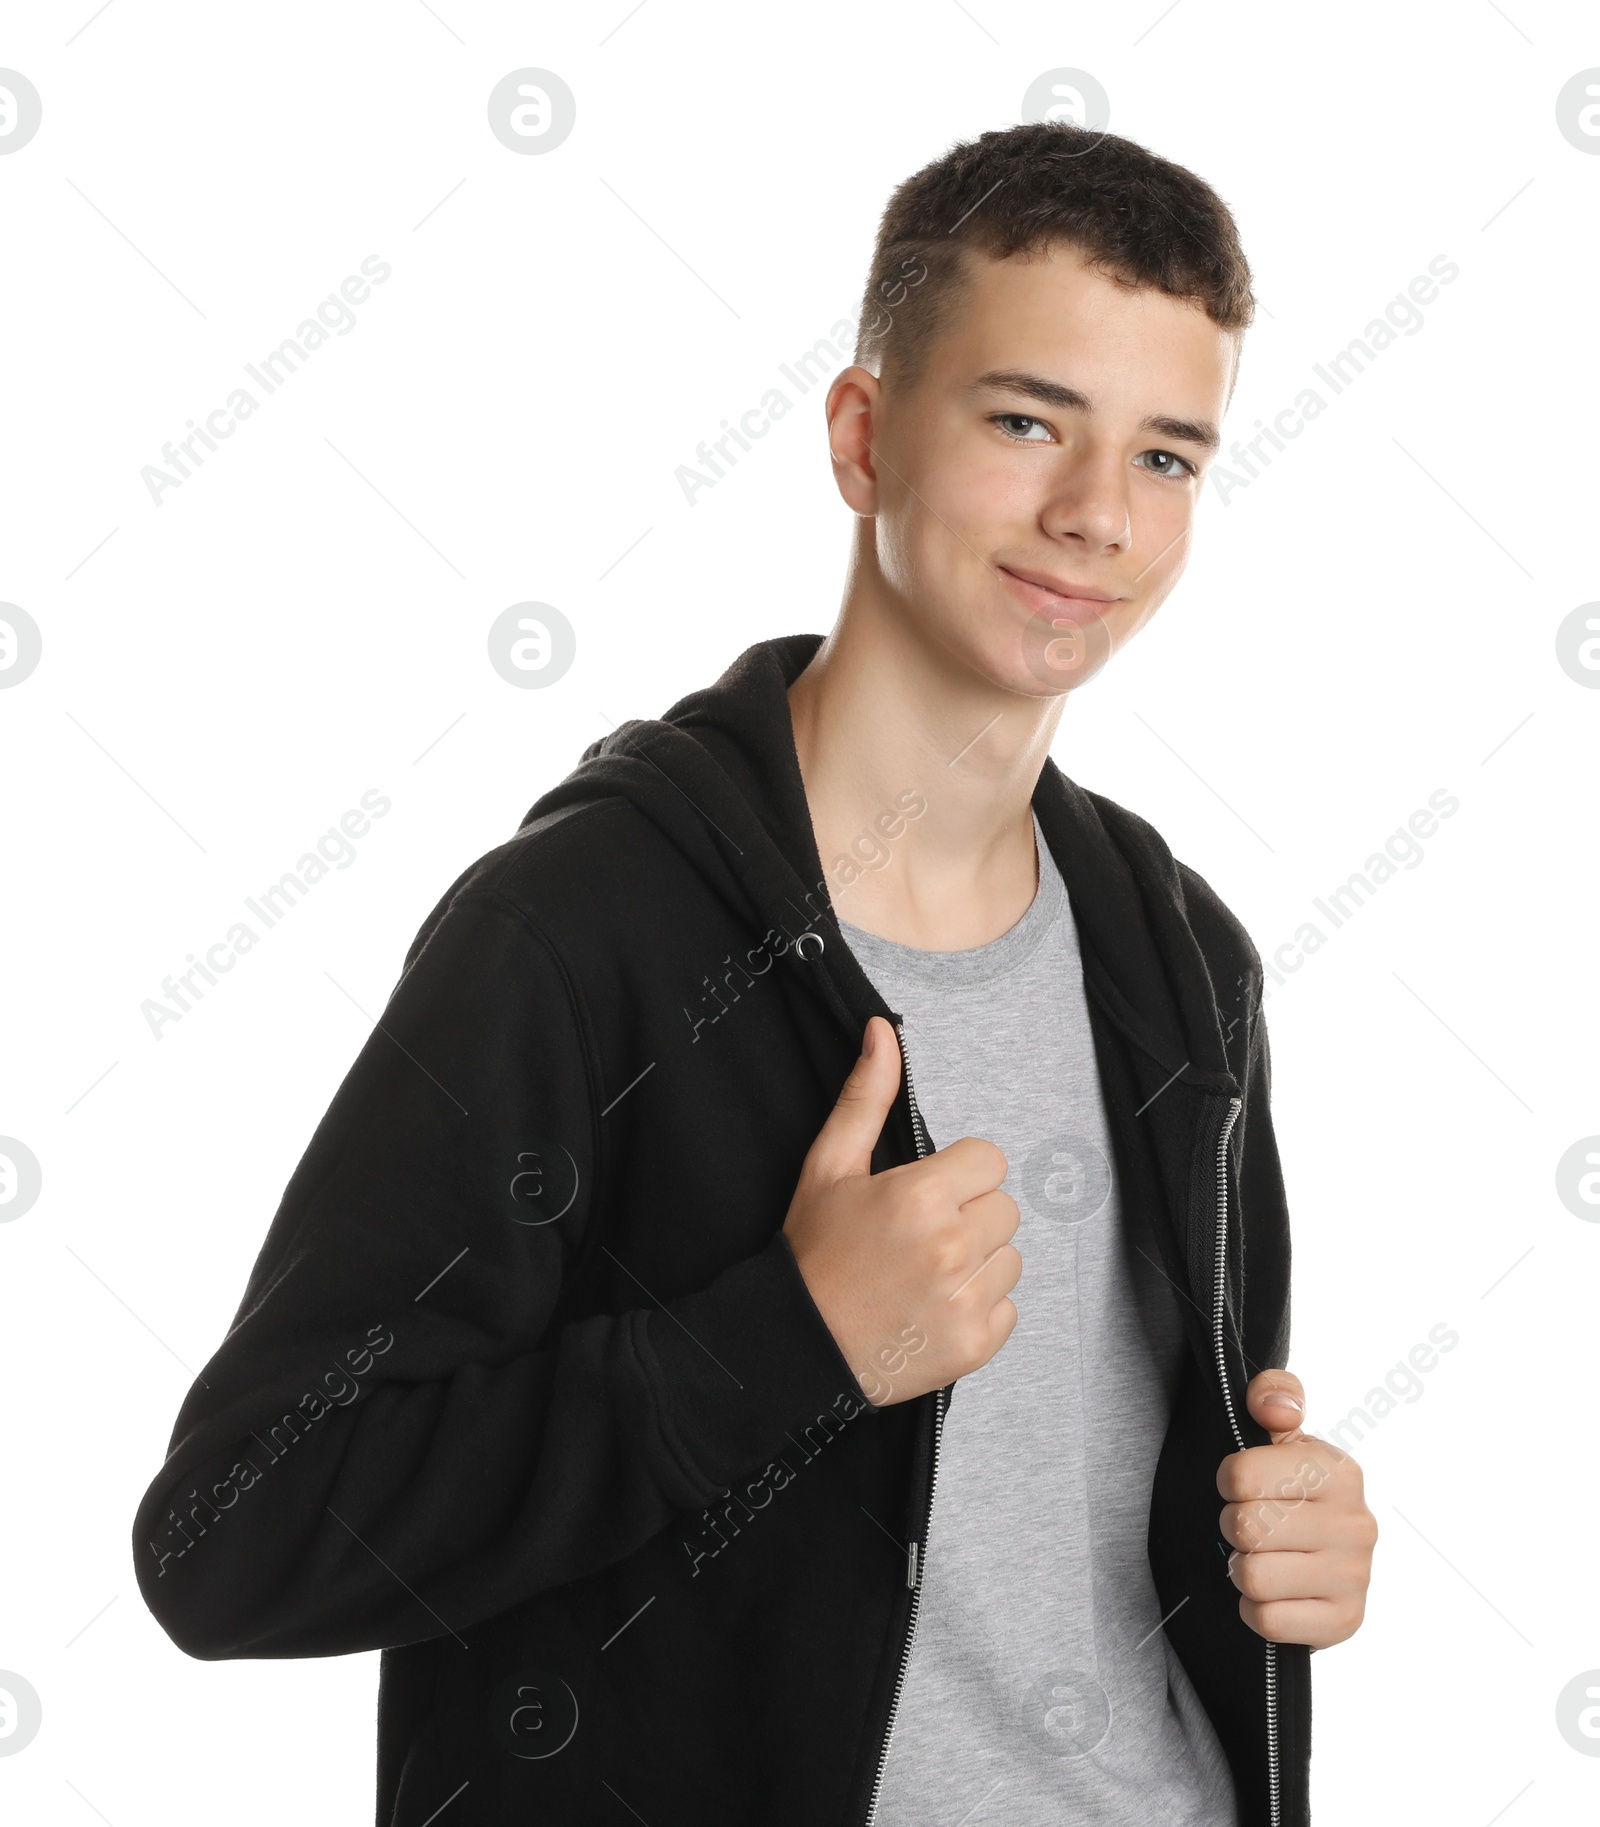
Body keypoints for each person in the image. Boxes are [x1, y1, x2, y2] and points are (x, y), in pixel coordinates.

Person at [134, 121, 1375, 1826]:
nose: (1096, 516)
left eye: (1168, 457)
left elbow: (1072, 1523)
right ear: (864, 438)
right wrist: (775, 1345)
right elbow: (237, 1536)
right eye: (1027, 422)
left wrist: (1280, 1543)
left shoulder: (1183, 960)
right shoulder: (579, 933)